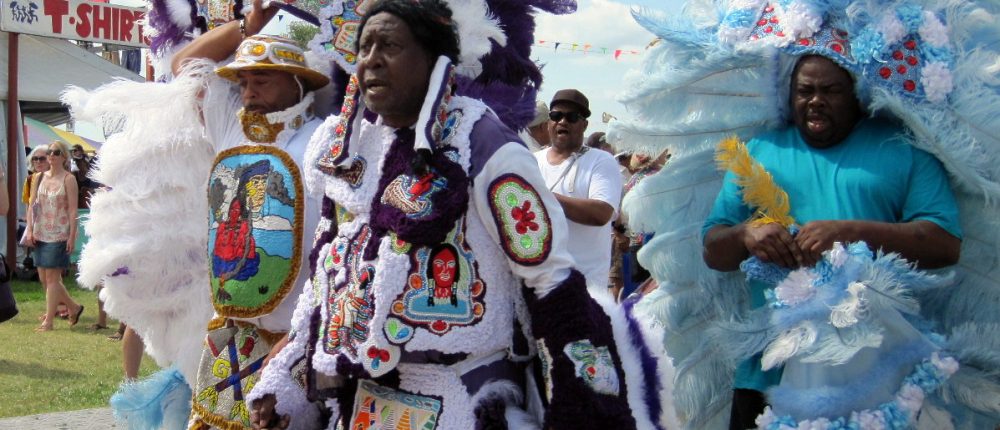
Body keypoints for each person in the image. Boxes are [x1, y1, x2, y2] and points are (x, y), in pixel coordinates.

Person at [246, 1, 674, 428]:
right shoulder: (341, 149)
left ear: (436, 60)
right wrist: (289, 379)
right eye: (364, 47)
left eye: (389, 45)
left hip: (463, 400)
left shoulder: (486, 145)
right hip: (361, 406)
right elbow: (327, 276)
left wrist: (579, 411)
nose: (371, 59)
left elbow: (549, 280)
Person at [702, 55, 961, 429]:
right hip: (768, 371)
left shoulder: (903, 147)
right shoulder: (757, 151)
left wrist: (850, 233)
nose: (816, 100)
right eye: (804, 91)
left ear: (856, 95)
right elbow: (713, 250)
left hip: (872, 375)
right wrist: (747, 234)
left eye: (831, 90)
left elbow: (944, 243)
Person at [163, 2, 331, 426]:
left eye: (263, 79)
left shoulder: (323, 141)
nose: (249, 90)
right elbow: (185, 66)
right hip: (230, 334)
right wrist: (245, 28)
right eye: (243, 81)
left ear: (297, 83)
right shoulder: (229, 126)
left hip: (295, 339)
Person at [533, 90, 623, 288]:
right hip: (537, 284)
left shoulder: (601, 161)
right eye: (556, 116)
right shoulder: (532, 161)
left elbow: (601, 213)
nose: (562, 121)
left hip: (584, 287)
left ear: (584, 125)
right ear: (548, 122)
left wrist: (543, 196)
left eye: (572, 117)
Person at [25, 141, 85, 332]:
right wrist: (30, 229)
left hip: (59, 233)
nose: (51, 155)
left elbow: (73, 209)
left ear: (64, 157)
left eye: (56, 152)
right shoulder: (39, 177)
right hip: (40, 231)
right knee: (44, 278)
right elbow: (31, 205)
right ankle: (74, 307)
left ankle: (49, 321)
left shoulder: (68, 179)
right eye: (49, 152)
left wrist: (72, 235)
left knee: (52, 278)